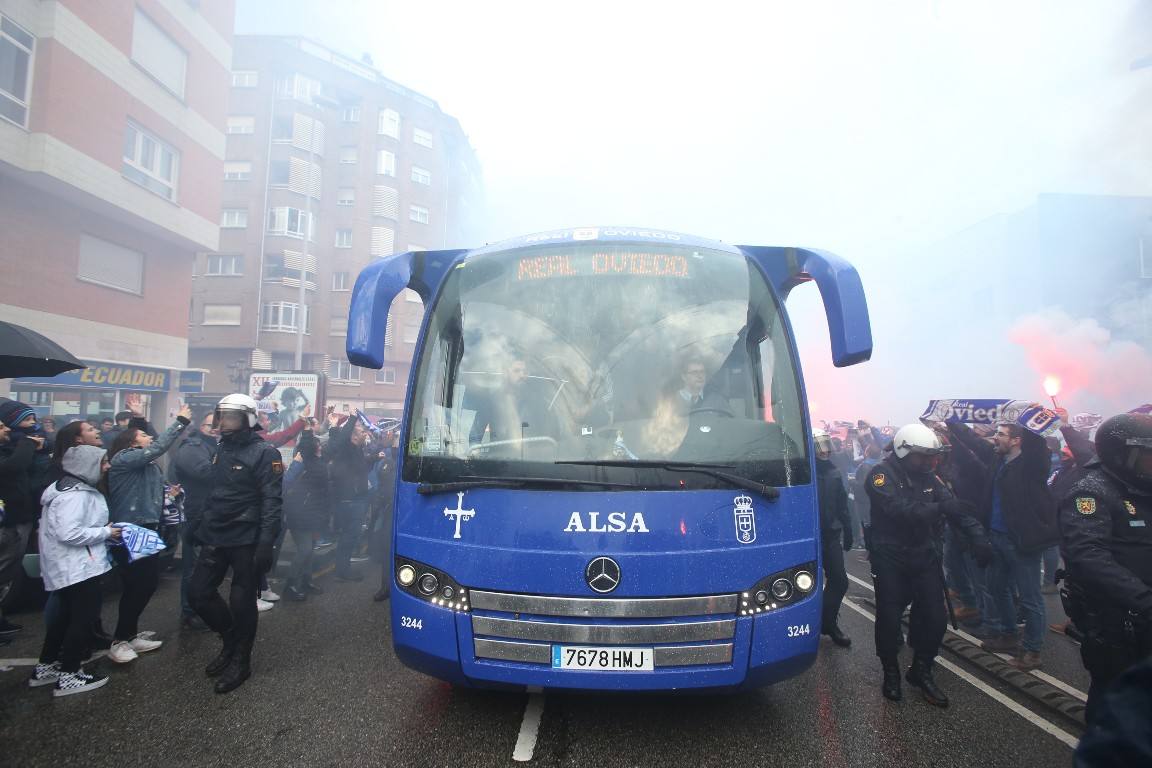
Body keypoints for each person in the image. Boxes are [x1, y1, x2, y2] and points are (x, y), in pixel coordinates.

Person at [865, 423, 993, 706]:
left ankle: (921, 670)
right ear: (903, 451)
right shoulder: (880, 475)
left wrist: (978, 537)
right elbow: (898, 510)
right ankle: (891, 672)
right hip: (891, 556)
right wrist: (940, 509)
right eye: (921, 456)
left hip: (923, 554)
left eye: (930, 457)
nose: (927, 462)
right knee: (888, 617)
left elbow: (954, 507)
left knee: (935, 618)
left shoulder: (929, 478)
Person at [1058, 413, 1152, 724]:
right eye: (1147, 455)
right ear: (1121, 455)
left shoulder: (1141, 487)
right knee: (1113, 700)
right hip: (1118, 623)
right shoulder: (1092, 492)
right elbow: (1087, 554)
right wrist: (1144, 599)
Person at [188, 393, 283, 694]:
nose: (222, 423)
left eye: (229, 417)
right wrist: (198, 525)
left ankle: (241, 659)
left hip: (246, 536)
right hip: (216, 533)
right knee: (198, 594)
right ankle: (230, 641)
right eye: (221, 416)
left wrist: (266, 541)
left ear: (247, 419)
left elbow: (272, 500)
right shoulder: (221, 448)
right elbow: (215, 490)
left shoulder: (266, 453)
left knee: (241, 601)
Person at [949, 420, 1058, 671]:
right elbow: (974, 441)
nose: (995, 438)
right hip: (996, 537)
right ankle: (1008, 634)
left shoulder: (1032, 465)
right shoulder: (998, 460)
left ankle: (1032, 650)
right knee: (997, 589)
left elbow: (1038, 448)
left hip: (1021, 542)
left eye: (1001, 434)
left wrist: (1033, 423)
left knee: (1030, 598)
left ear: (1017, 440)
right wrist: (951, 421)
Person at [29, 444, 121, 696]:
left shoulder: (64, 489)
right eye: (103, 462)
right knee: (81, 619)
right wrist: (106, 532)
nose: (107, 467)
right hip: (78, 567)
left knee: (64, 618)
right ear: (87, 466)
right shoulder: (75, 496)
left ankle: (46, 666)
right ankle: (69, 674)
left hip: (69, 566)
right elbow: (69, 533)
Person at [106, 402, 192, 662]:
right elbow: (158, 446)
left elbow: (152, 450)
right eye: (143, 435)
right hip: (132, 528)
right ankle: (120, 640)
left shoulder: (145, 465)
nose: (149, 438)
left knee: (145, 583)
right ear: (131, 444)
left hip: (146, 527)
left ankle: (129, 635)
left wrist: (169, 493)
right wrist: (180, 421)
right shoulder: (123, 459)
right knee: (137, 584)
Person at [0, 403, 46, 640]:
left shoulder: (14, 447)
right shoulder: (15, 449)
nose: (6, 430)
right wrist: (27, 443)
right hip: (9, 521)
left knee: (8, 571)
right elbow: (13, 468)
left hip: (20, 517)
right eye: (1, 426)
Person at [172, 410, 218, 631]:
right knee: (194, 567)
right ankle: (189, 612)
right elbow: (204, 472)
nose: (215, 429)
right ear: (202, 427)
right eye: (210, 425)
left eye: (217, 425)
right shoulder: (192, 447)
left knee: (207, 566)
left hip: (211, 514)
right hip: (196, 514)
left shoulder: (215, 446)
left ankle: (202, 608)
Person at [813, 430, 852, 647]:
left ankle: (827, 622)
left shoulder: (834, 472)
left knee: (839, 580)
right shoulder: (801, 471)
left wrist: (848, 529)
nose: (825, 450)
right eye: (819, 446)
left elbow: (842, 504)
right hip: (809, 536)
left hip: (830, 535)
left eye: (826, 445)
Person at [326, 413, 376, 581]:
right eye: (362, 433)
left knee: (350, 536)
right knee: (348, 537)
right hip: (349, 500)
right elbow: (341, 438)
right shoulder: (347, 449)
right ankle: (342, 571)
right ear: (353, 437)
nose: (366, 435)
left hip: (356, 499)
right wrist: (353, 419)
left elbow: (359, 468)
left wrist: (375, 458)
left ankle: (343, 569)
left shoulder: (356, 450)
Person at [282, 424, 327, 601]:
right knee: (305, 549)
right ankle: (290, 586)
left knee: (311, 550)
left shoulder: (319, 461)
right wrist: (307, 431)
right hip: (299, 514)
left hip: (315, 515)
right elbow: (305, 446)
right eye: (319, 444)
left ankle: (306, 581)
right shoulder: (304, 460)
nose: (321, 447)